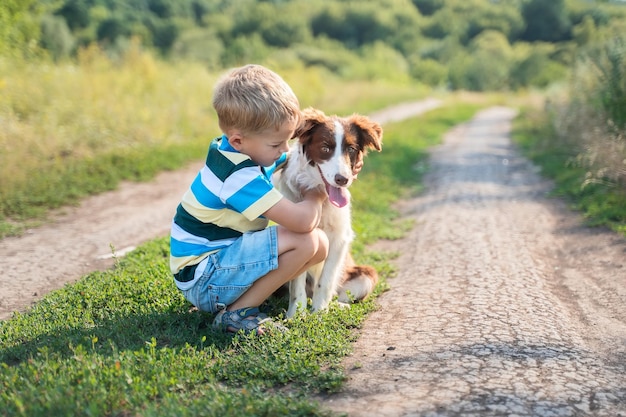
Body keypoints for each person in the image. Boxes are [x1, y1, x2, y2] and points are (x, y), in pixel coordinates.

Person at [169, 64, 329, 335]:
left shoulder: (241, 150)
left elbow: (285, 158)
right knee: (307, 240)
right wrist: (317, 192)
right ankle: (235, 314)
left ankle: (248, 296)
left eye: (287, 140)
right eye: (276, 144)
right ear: (239, 140)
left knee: (321, 245)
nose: (284, 149)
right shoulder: (236, 177)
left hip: (216, 266)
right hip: (205, 278)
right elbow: (303, 222)